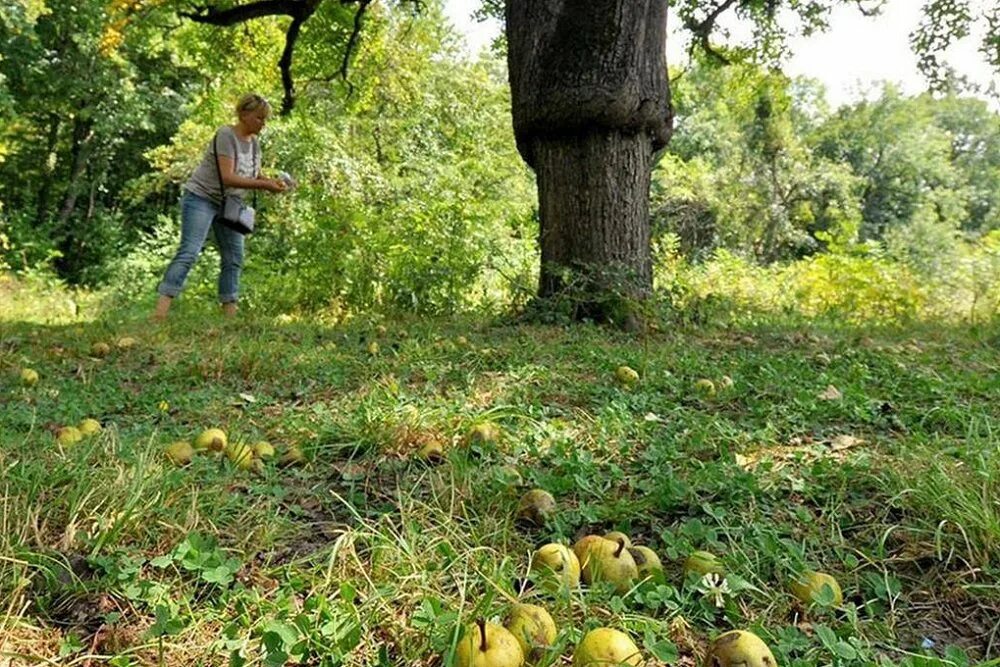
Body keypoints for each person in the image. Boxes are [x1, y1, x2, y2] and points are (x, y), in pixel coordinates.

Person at [152, 93, 287, 320]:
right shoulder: (226, 135)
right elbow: (228, 177)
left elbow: (252, 174)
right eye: (259, 118)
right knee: (189, 252)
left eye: (265, 119)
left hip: (230, 204)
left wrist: (270, 181)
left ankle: (229, 319)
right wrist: (263, 185)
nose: (263, 123)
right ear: (244, 115)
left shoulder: (254, 143)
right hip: (201, 198)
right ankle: (159, 315)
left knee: (234, 257)